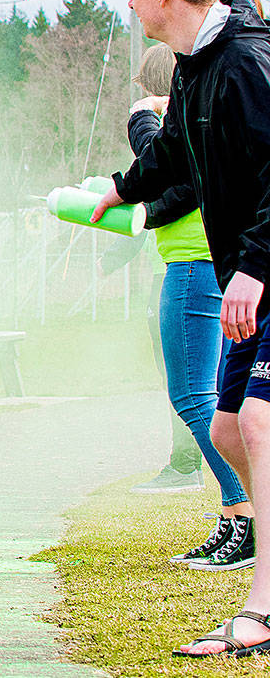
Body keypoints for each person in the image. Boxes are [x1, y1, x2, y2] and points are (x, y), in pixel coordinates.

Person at [89, 0, 270, 658]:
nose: (128, 4)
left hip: (263, 273)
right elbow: (175, 152)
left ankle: (263, 608)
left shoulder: (250, 64)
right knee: (228, 430)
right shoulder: (194, 61)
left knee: (257, 424)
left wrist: (254, 268)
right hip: (248, 276)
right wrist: (121, 187)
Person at [125, 42, 254, 567]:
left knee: (195, 398)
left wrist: (141, 117)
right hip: (211, 263)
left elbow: (165, 168)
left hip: (194, 266)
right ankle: (237, 515)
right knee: (218, 397)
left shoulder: (182, 120)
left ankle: (242, 514)